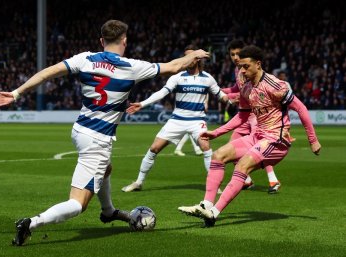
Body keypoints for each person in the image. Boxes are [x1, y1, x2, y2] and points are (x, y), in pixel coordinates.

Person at [0, 20, 210, 246]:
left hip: (80, 130)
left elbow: (48, 73)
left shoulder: (85, 58)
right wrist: (195, 55)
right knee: (78, 204)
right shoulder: (132, 66)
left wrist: (16, 93)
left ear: (101, 41)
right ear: (124, 41)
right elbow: (173, 67)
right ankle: (31, 223)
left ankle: (109, 211)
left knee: (107, 168)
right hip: (97, 139)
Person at [178, 45, 321, 227]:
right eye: (240, 67)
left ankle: (213, 213)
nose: (242, 70)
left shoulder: (275, 85)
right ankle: (206, 205)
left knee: (243, 166)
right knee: (218, 156)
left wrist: (313, 140)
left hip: (276, 139)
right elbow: (243, 116)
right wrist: (216, 132)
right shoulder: (246, 87)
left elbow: (300, 108)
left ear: (258, 64)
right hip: (257, 136)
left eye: (246, 66)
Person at [121, 45, 230, 193]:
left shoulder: (208, 79)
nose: (187, 59)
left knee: (205, 148)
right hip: (176, 120)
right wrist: (142, 104)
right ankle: (139, 182)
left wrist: (229, 100)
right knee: (154, 148)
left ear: (197, 59)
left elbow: (220, 94)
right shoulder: (178, 77)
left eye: (190, 56)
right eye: (185, 56)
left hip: (197, 121)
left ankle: (214, 186)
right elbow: (161, 93)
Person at [223, 39, 281, 193]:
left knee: (262, 147)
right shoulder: (238, 71)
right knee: (231, 149)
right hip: (243, 116)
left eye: (238, 54)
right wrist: (219, 90)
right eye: (232, 54)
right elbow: (237, 88)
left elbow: (252, 92)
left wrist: (232, 96)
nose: (235, 57)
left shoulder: (249, 70)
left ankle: (273, 181)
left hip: (256, 115)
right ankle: (245, 180)